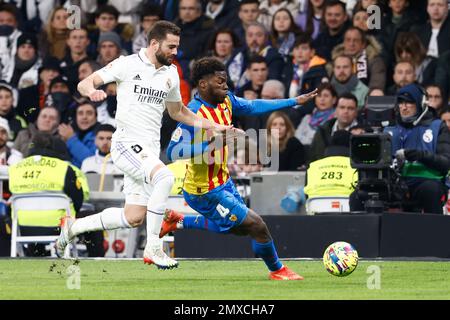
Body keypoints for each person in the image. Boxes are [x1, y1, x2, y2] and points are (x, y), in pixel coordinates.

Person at [56, 21, 233, 269]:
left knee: (133, 216)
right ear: (154, 43)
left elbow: (178, 112)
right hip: (126, 143)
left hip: (147, 150)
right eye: (171, 46)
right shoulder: (127, 64)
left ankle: (73, 227)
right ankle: (153, 248)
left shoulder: (171, 73)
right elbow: (85, 83)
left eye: (177, 47)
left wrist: (212, 126)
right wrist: (91, 92)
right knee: (164, 178)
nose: (175, 52)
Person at [163, 57, 317, 280]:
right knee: (257, 225)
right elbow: (173, 151)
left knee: (238, 228)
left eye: (226, 81)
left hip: (223, 180)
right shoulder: (193, 114)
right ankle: (277, 270)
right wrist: (212, 143)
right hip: (203, 190)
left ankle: (179, 220)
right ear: (203, 84)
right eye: (220, 82)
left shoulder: (226, 101)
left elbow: (254, 106)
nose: (226, 86)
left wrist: (294, 101)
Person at [351, 83, 450, 214]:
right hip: (393, 184)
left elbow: (445, 163)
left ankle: (434, 232)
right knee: (358, 196)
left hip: (424, 182)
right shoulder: (388, 127)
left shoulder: (437, 127)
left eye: (409, 103)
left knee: (431, 190)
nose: (404, 107)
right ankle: (361, 233)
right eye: (401, 103)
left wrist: (420, 155)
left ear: (421, 103)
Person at [8, 132, 83, 256]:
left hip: (23, 227)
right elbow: (78, 198)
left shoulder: (14, 169)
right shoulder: (63, 168)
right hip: (58, 227)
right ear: (53, 146)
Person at [304, 130, 357, 200]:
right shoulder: (356, 166)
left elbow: (306, 195)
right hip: (348, 207)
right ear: (351, 145)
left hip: (317, 207)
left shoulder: (313, 166)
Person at [309, 92, 359, 163]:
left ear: (356, 112)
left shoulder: (363, 132)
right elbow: (312, 158)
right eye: (342, 107)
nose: (346, 111)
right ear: (335, 110)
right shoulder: (322, 131)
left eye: (350, 108)